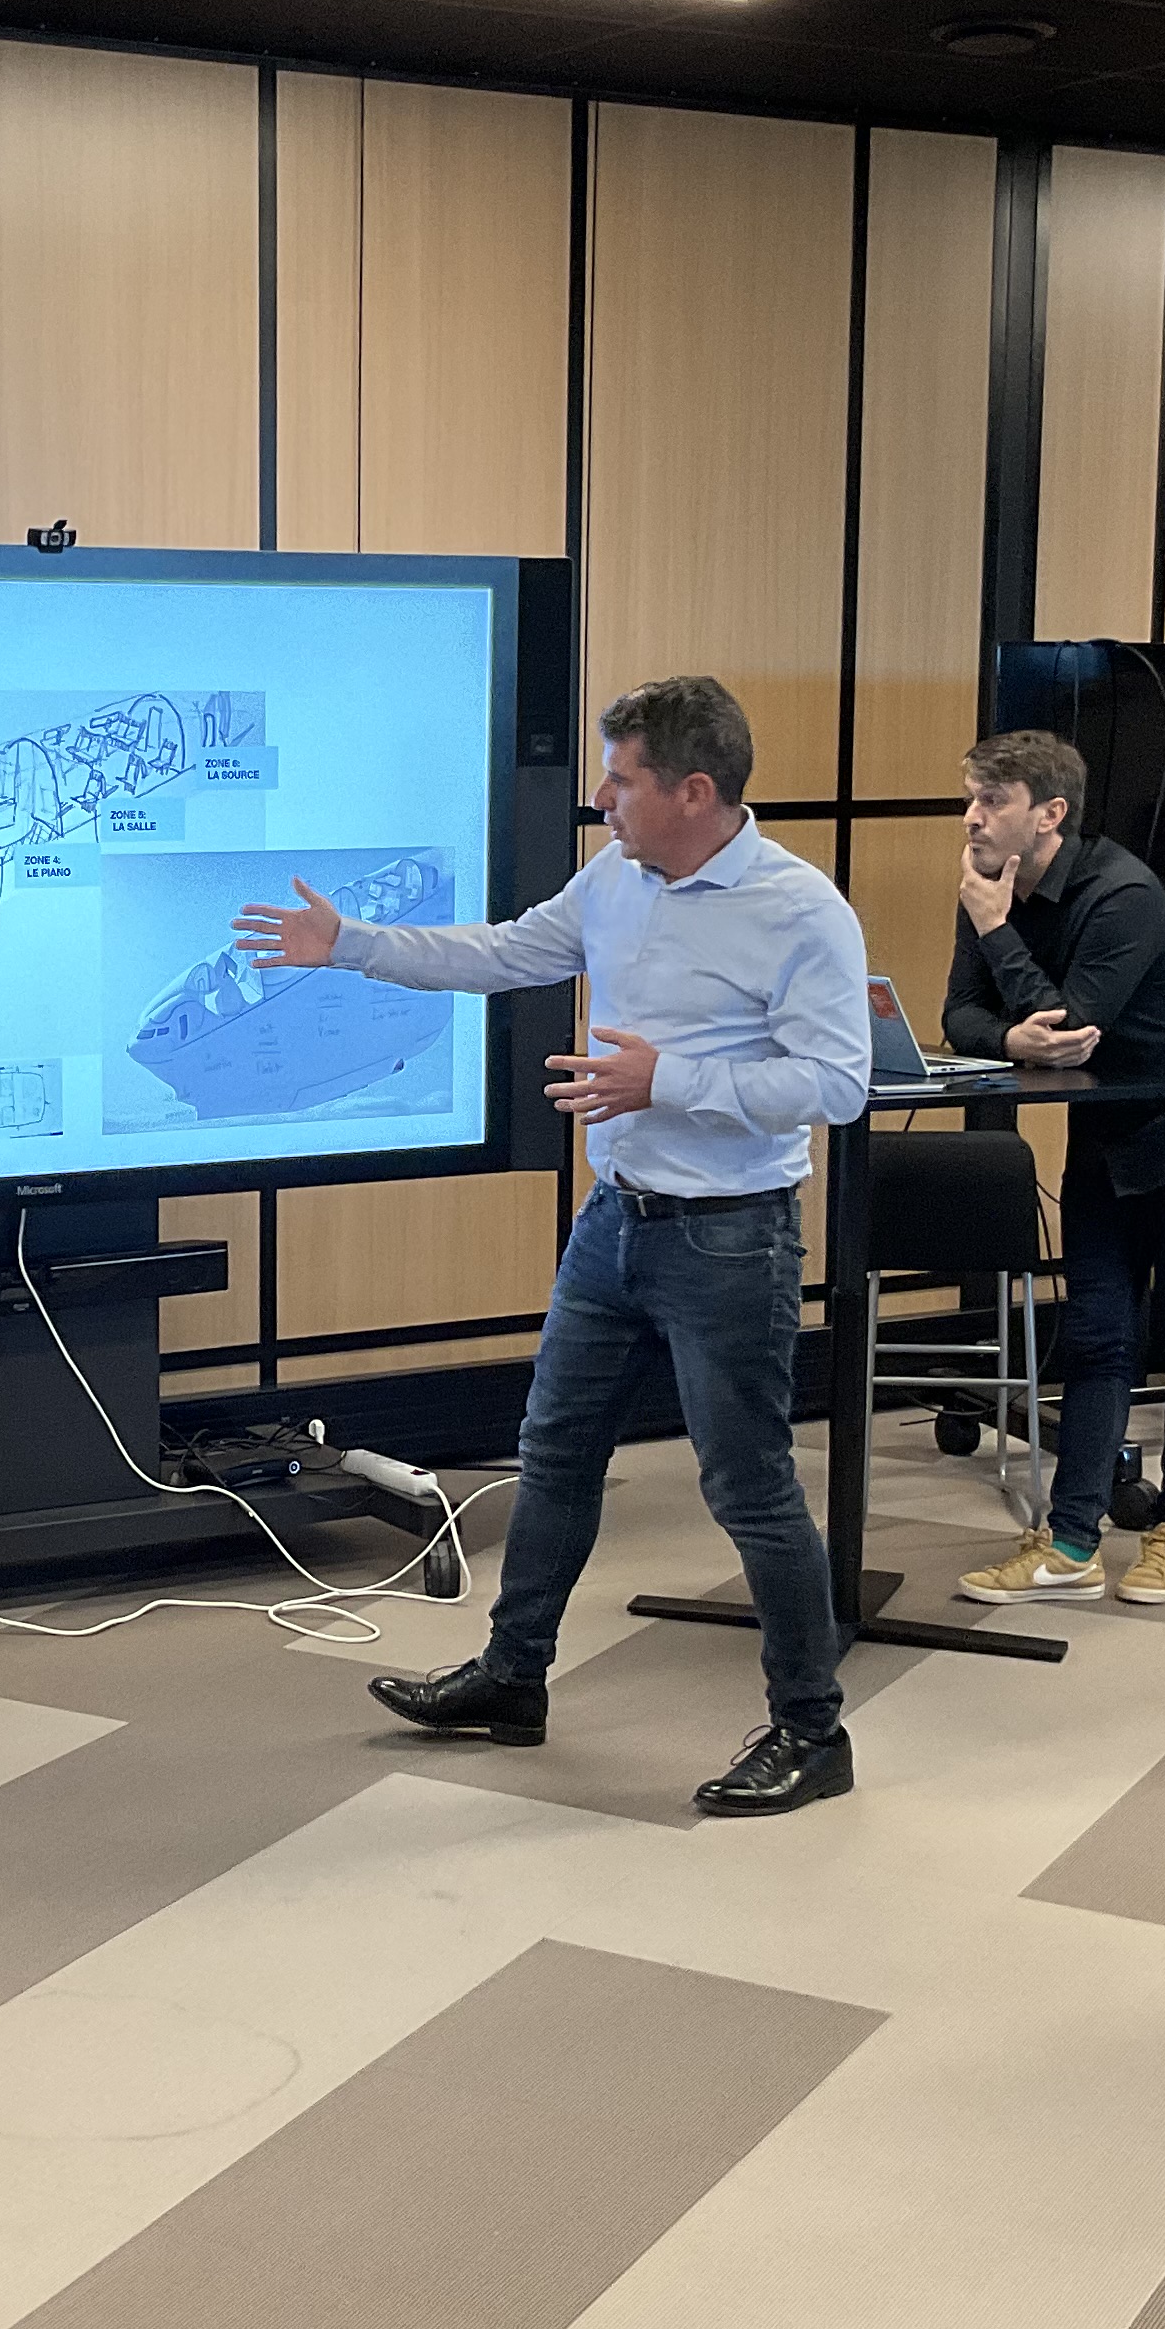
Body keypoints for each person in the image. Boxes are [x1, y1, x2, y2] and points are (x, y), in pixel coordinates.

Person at [232, 674, 873, 1815]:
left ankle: (813, 1733)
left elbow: (836, 1084)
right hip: (613, 1224)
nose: (601, 798)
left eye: (621, 779)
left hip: (731, 1240)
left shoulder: (800, 909)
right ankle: (512, 1676)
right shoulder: (614, 879)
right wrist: (348, 945)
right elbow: (501, 953)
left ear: (694, 791)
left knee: (749, 1485)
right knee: (556, 1454)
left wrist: (668, 1080)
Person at [941, 727, 1165, 1609]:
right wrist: (1009, 1037)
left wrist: (997, 931)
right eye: (971, 798)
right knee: (1096, 1336)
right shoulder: (986, 884)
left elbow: (1072, 1026)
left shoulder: (1121, 892)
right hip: (1108, 1128)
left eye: (992, 801)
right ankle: (1072, 1543)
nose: (972, 817)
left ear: (1049, 814)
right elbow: (961, 1014)